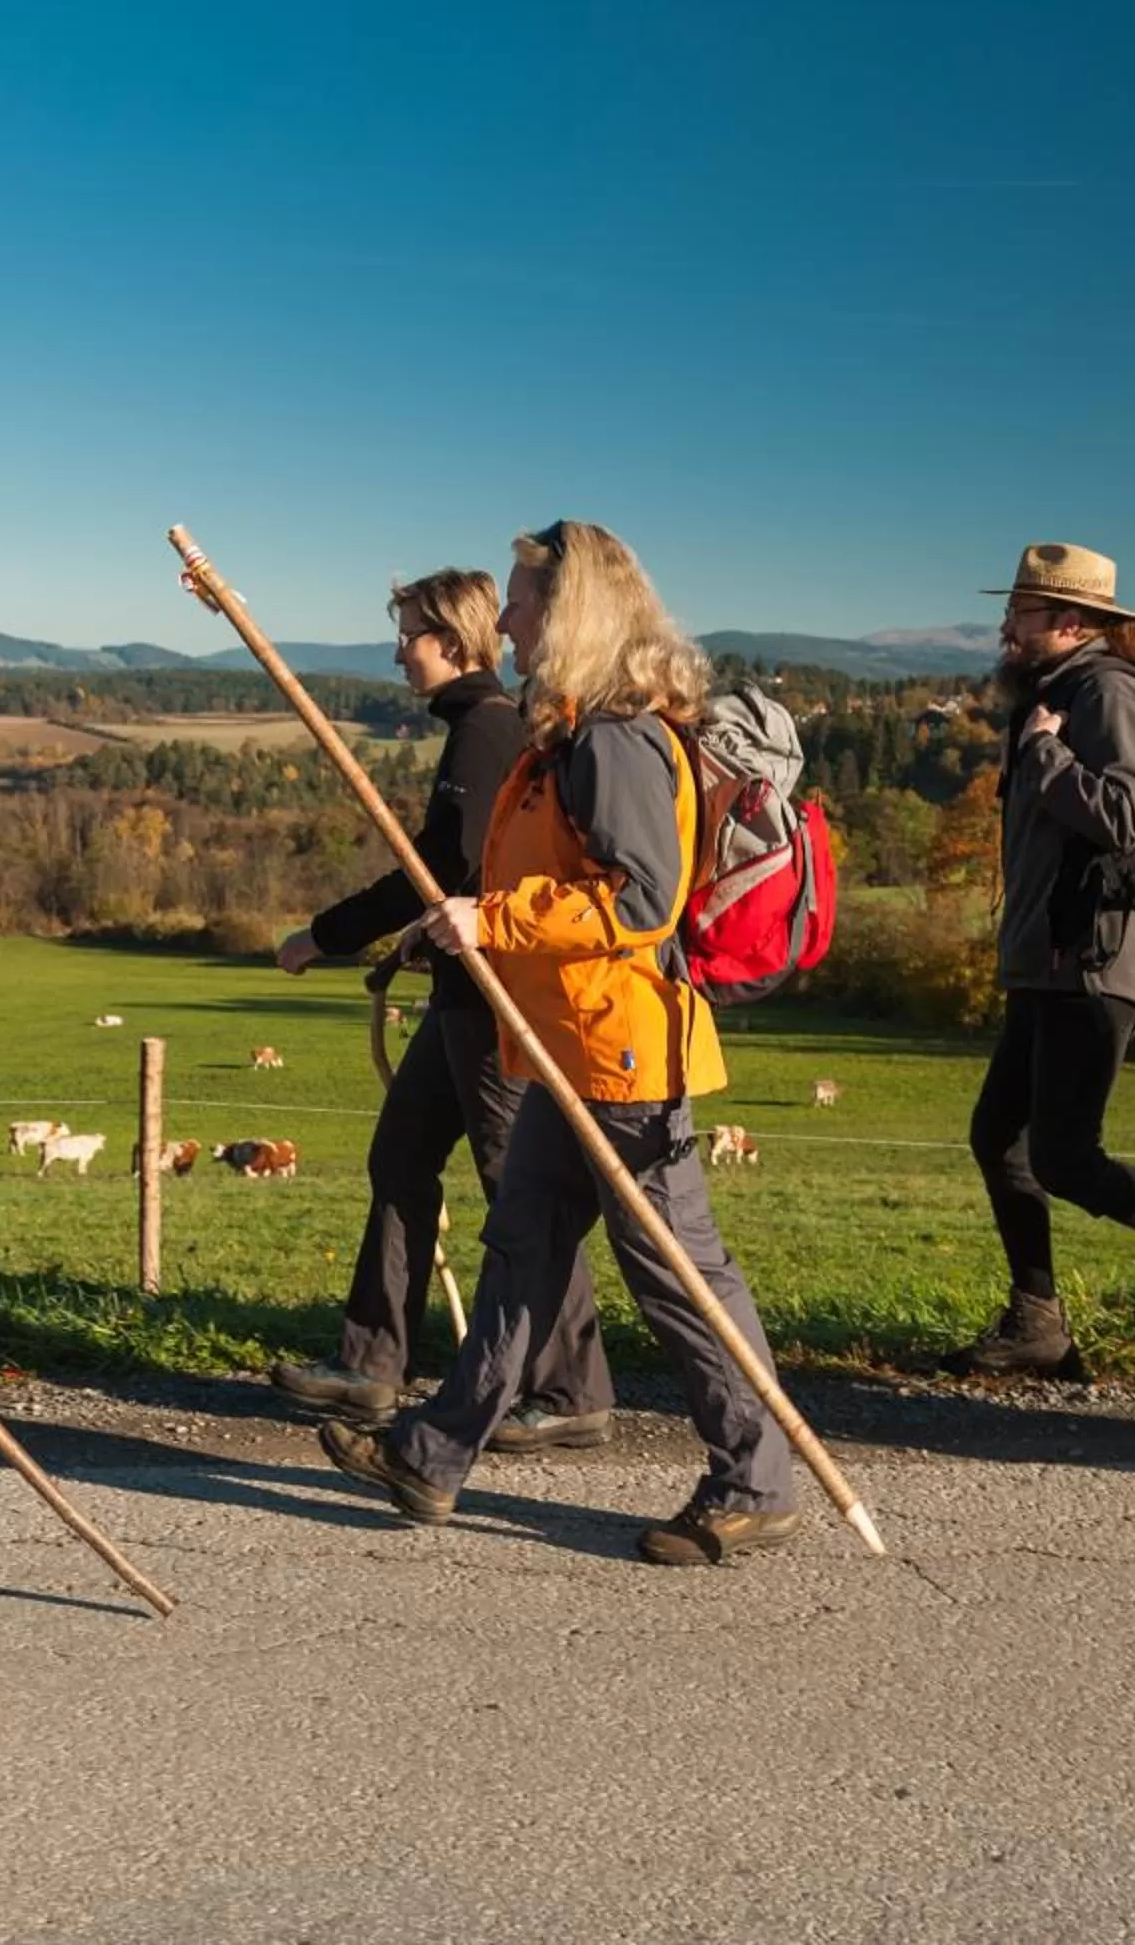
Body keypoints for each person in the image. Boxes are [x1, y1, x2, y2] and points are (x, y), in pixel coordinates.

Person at [312, 520, 801, 1566]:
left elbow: (644, 901)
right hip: (564, 1048)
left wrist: (498, 919)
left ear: (571, 611)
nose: (514, 620)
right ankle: (433, 1453)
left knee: (676, 1272)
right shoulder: (572, 730)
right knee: (522, 1254)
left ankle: (755, 1479)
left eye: (527, 602)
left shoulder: (619, 736)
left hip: (624, 1053)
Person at [266, 567, 614, 1450]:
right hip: (460, 991)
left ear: (453, 645)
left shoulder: (486, 733)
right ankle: (372, 1365)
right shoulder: (479, 730)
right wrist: (417, 937)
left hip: (495, 1000)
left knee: (518, 1186)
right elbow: (459, 871)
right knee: (401, 1158)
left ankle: (573, 1390)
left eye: (410, 635)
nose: (397, 652)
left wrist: (326, 934)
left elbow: (441, 866)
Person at [951, 543, 1135, 1377]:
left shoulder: (1108, 690)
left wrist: (1044, 753)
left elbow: (1124, 812)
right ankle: (1038, 1323)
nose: (1006, 626)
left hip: (1098, 958)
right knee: (1000, 1136)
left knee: (1066, 1156)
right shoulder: (1062, 690)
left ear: (1070, 622)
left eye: (1021, 613)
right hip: (1053, 957)